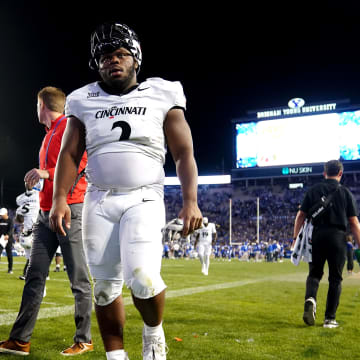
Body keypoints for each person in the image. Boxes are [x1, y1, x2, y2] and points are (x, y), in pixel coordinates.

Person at [49, 22, 202, 360]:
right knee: (103, 289)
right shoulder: (82, 99)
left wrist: (190, 200)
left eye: (120, 54)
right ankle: (115, 356)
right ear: (96, 63)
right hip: (99, 199)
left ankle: (153, 333)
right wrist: (60, 197)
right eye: (105, 56)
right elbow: (69, 154)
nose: (113, 60)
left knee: (144, 278)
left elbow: (183, 152)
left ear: (135, 58)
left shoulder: (162, 92)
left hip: (144, 196)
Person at [0, 86, 93, 356]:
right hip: (44, 212)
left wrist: (45, 172)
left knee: (78, 278)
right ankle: (20, 340)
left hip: (68, 209)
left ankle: (84, 338)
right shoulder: (50, 133)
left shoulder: (69, 126)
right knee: (34, 276)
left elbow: (80, 164)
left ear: (42, 105)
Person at [293, 159, 360, 328]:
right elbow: (354, 222)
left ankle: (310, 299)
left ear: (324, 173)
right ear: (340, 173)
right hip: (338, 237)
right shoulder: (345, 192)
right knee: (335, 279)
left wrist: (295, 238)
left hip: (317, 236)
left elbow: (300, 216)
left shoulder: (313, 190)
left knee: (314, 273)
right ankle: (329, 319)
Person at [14, 185, 41, 280]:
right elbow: (19, 219)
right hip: (27, 230)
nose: (29, 183)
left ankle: (29, 274)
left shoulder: (39, 194)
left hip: (39, 227)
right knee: (31, 255)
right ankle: (35, 274)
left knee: (36, 254)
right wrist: (19, 214)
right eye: (27, 181)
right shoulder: (20, 198)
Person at [0, 207, 14, 274]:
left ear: (6, 213)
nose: (2, 215)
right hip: (1, 240)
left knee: (9, 254)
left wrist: (8, 235)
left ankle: (10, 269)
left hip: (8, 240)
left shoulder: (10, 221)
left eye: (2, 214)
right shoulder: (0, 220)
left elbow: (11, 229)